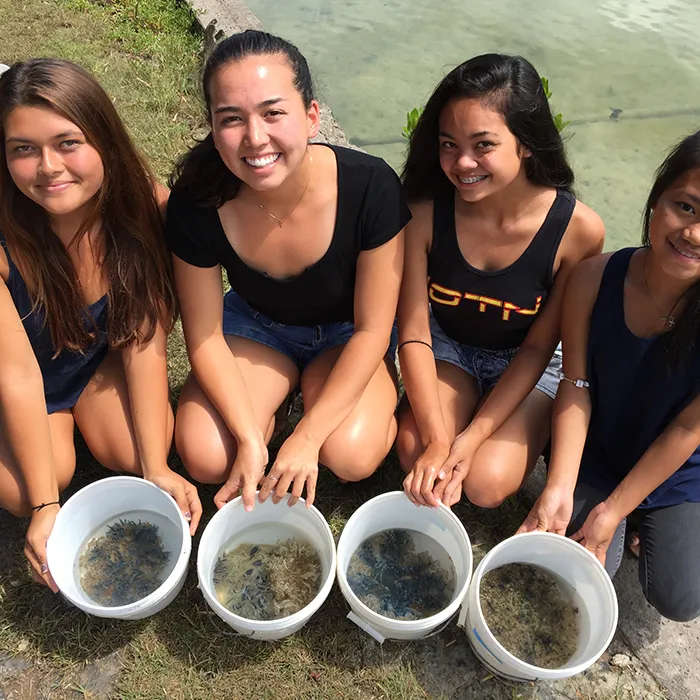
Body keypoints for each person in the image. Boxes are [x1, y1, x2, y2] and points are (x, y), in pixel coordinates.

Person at [167, 30, 409, 512]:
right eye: (231, 119)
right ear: (214, 129)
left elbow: (374, 328)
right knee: (207, 455)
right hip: (257, 326)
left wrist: (308, 436)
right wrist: (248, 438)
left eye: (273, 112)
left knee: (351, 455)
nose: (255, 138)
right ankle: (268, 413)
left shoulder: (369, 186)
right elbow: (205, 337)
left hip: (347, 333)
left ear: (311, 115)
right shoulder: (198, 201)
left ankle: (308, 406)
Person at [0, 58, 202, 591]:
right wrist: (46, 506)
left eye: (68, 142)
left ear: (104, 139)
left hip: (88, 365)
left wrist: (157, 468)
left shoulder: (145, 208)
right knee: (27, 490)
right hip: (19, 381)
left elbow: (144, 337)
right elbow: (16, 374)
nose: (48, 166)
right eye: (24, 148)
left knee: (133, 453)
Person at [397, 54, 605, 509]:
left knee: (486, 484)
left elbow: (537, 348)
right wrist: (438, 440)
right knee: (416, 452)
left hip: (528, 362)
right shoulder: (425, 213)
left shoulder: (577, 230)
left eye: (483, 144)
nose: (462, 162)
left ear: (526, 142)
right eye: (448, 144)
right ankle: (451, 422)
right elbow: (413, 333)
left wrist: (470, 439)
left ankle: (510, 427)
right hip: (450, 346)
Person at [519, 131, 700, 622]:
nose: (693, 234)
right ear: (656, 200)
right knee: (561, 566)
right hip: (598, 448)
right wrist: (558, 487)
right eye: (685, 206)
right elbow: (575, 385)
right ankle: (619, 514)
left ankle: (645, 516)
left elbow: (687, 429)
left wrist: (614, 509)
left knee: (679, 599)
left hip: (676, 465)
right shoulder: (594, 278)